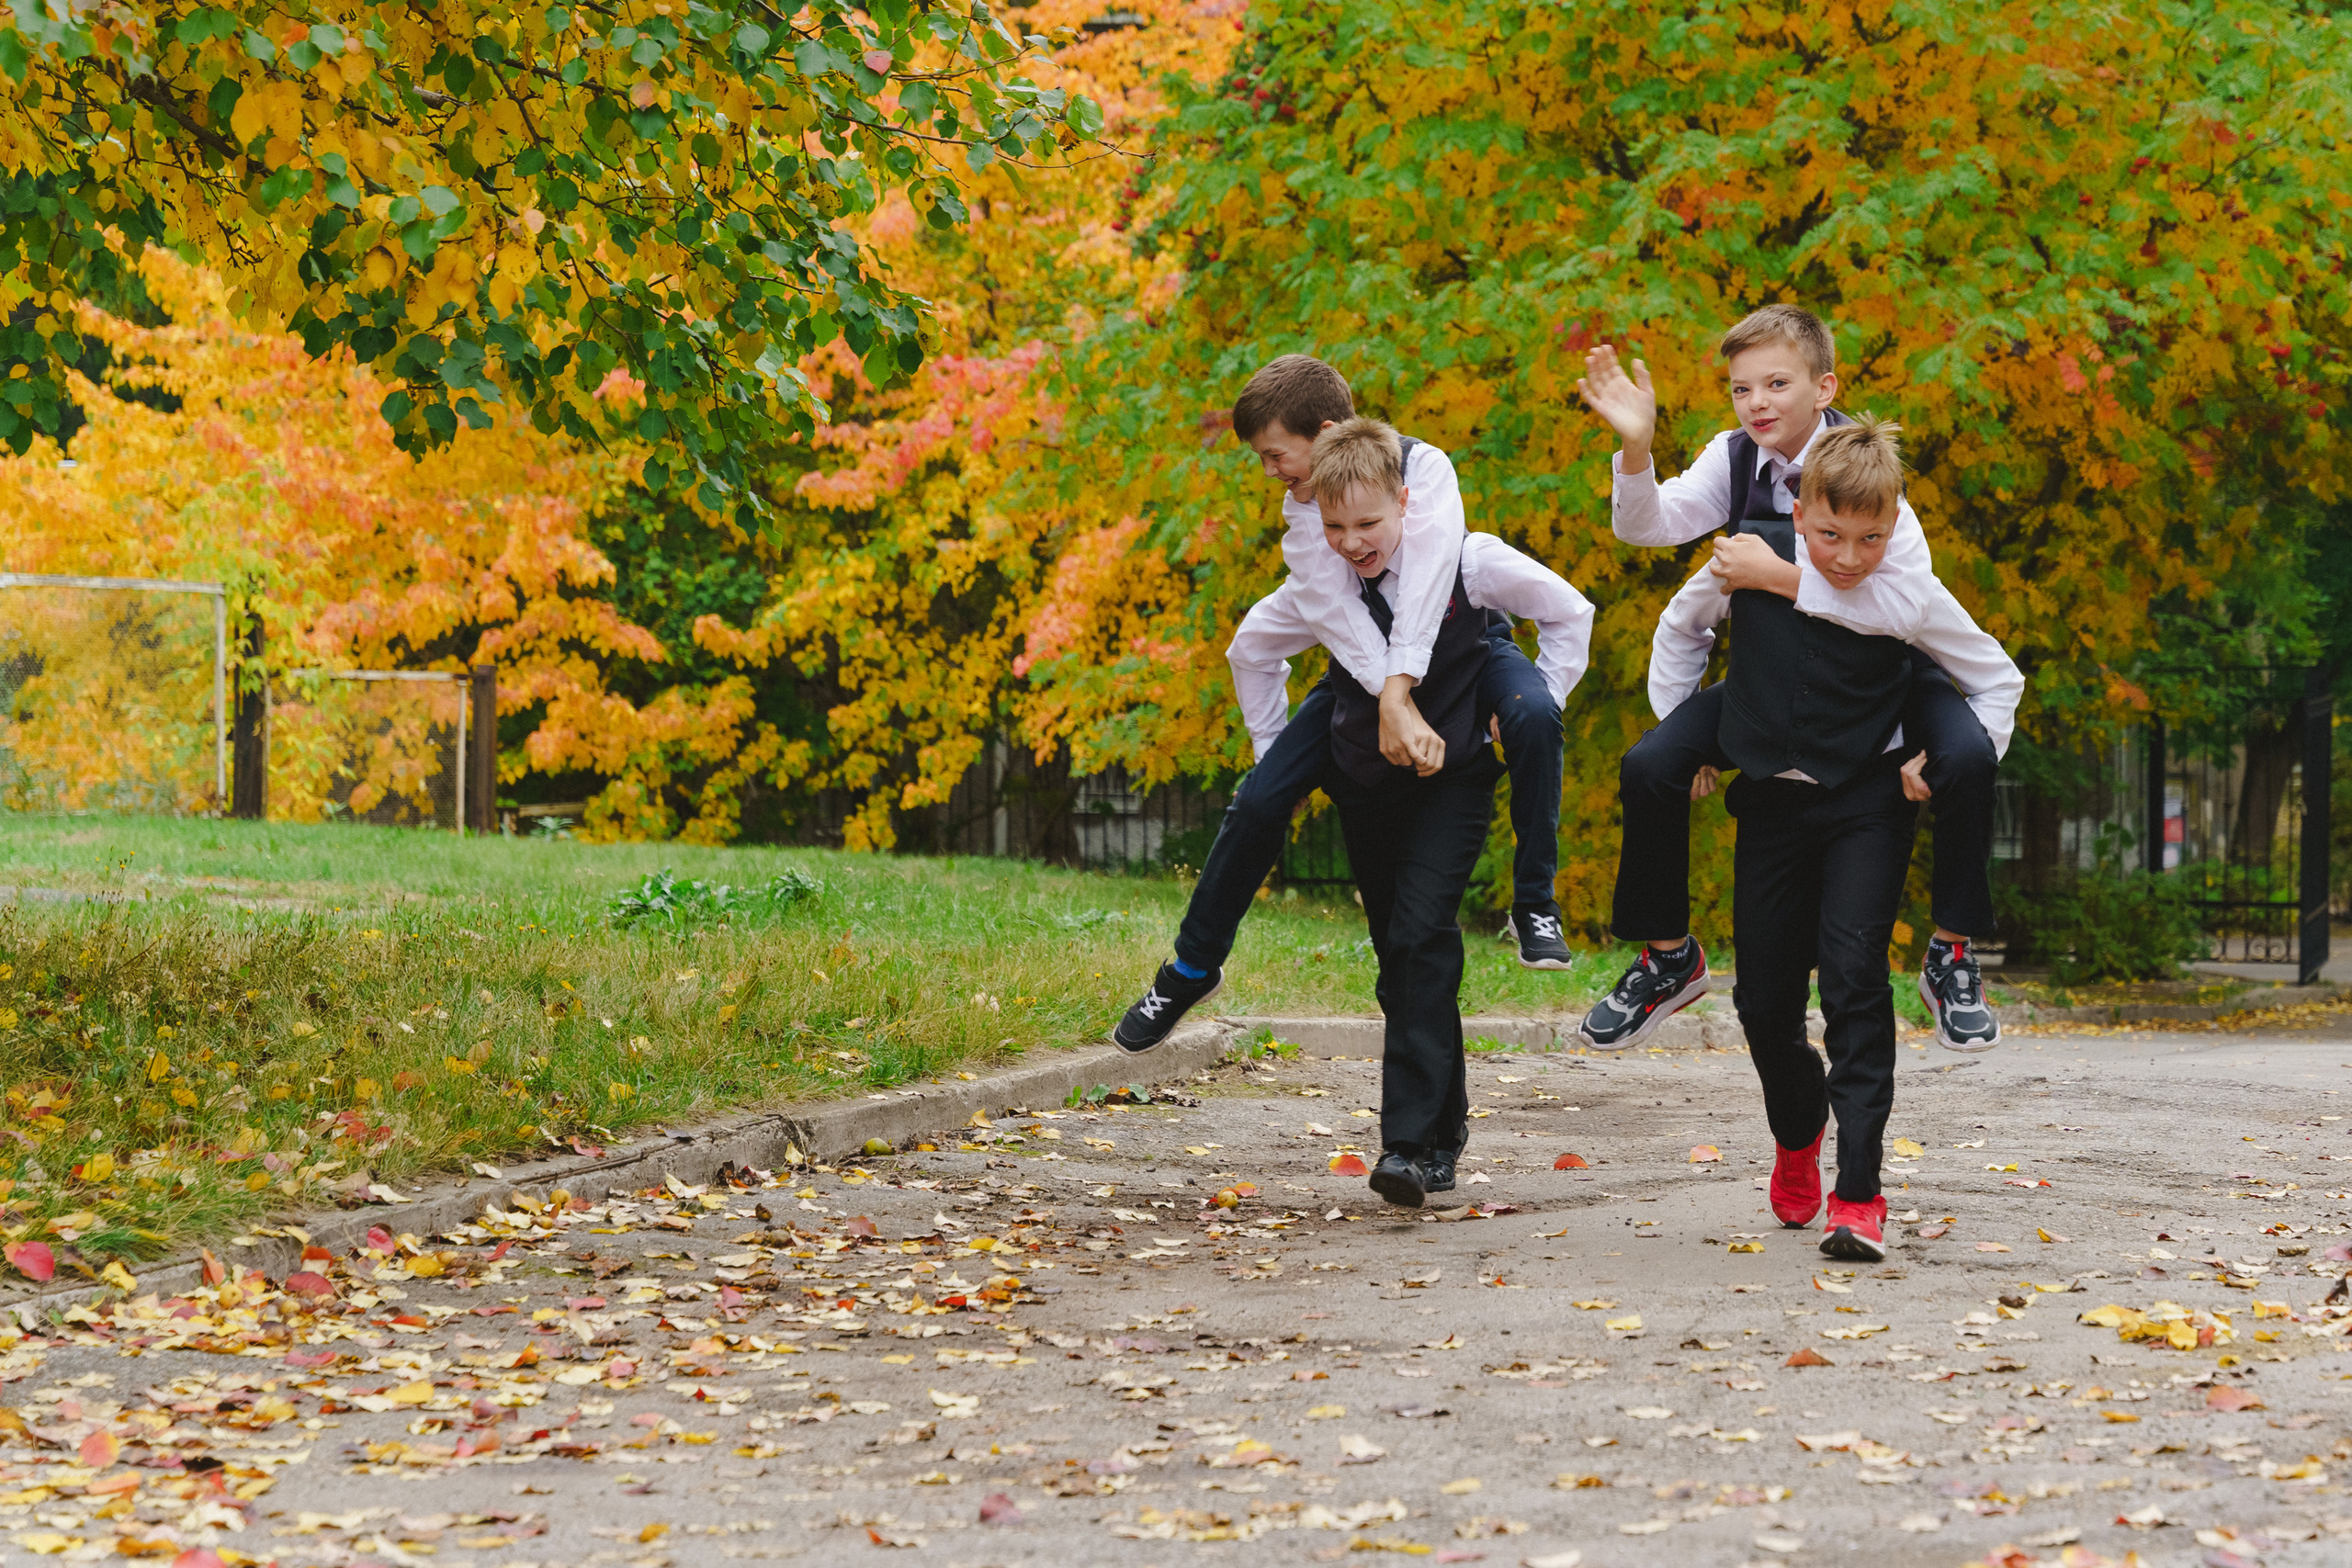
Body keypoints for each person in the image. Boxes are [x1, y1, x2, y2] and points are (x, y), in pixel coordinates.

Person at [1113, 355, 1578, 1059]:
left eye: (1275, 454)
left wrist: (1405, 686)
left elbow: (1426, 585)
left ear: (1326, 432)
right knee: (1260, 800)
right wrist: (1283, 762)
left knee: (1532, 711)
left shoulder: (1427, 475)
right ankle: (1191, 967)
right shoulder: (1304, 517)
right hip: (1361, 665)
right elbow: (1327, 622)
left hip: (1459, 643)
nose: (1270, 470)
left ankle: (1534, 902)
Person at [1574, 305, 2007, 1053]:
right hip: (1775, 677)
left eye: (1777, 383)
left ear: (1823, 386)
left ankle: (1953, 952)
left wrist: (1780, 575)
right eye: (1742, 390)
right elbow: (1649, 529)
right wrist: (1637, 448)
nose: (1758, 403)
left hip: (1881, 675)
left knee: (1966, 756)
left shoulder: (1870, 473)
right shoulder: (1736, 456)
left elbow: (1902, 608)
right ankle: (1669, 957)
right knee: (1651, 764)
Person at [1648, 415, 2019, 1260]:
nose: (1850, 555)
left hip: (1868, 803)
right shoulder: (1750, 559)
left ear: (1895, 526)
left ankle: (1861, 1192)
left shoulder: (1906, 587)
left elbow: (1993, 673)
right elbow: (1680, 631)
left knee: (1855, 979)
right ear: (1798, 510)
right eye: (1829, 535)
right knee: (1764, 1002)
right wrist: (1688, 738)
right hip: (1773, 805)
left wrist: (1944, 757)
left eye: (1871, 537)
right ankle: (1796, 1127)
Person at [1224, 416, 1593, 1207]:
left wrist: (1533, 705)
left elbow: (1570, 614)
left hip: (1453, 780)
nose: (1353, 541)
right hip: (1368, 784)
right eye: (1335, 527)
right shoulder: (1322, 584)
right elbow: (1254, 647)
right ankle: (1444, 1132)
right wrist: (1271, 751)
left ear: (1406, 503)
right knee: (1403, 958)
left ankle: (1406, 1145)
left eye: (1368, 524)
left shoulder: (1465, 558)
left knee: (1424, 932)